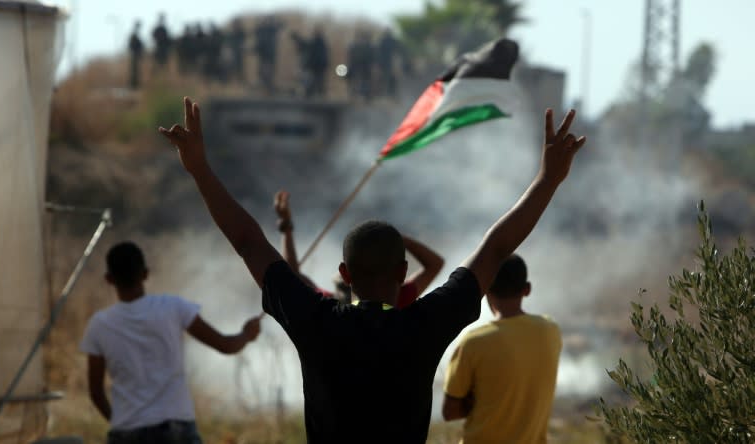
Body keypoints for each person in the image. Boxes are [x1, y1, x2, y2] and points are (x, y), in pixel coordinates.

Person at [159, 95, 585, 442]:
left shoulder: (317, 322)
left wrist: (199, 169)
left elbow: (249, 242)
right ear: (403, 274)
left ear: (344, 274)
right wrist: (548, 179)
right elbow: (495, 249)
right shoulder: (424, 325)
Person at [80, 241, 262, 444]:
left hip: (126, 432)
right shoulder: (173, 307)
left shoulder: (99, 325)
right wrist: (246, 334)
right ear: (145, 274)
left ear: (109, 279)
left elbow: (95, 392)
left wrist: (120, 422)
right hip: (177, 431)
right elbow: (225, 345)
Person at [442, 254, 561, 443]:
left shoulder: (473, 341)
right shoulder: (551, 330)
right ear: (527, 289)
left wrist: (478, 400)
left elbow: (450, 411)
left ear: (486, 289)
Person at [273, 190, 444, 305]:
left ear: (346, 275)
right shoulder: (399, 301)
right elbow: (435, 264)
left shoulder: (327, 312)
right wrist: (397, 239)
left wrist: (286, 227)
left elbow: (292, 277)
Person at [127, 21, 144, 89]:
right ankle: (133, 85)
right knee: (134, 71)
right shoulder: (134, 35)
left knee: (136, 71)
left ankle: (135, 85)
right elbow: (131, 46)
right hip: (134, 55)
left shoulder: (135, 35)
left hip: (136, 55)